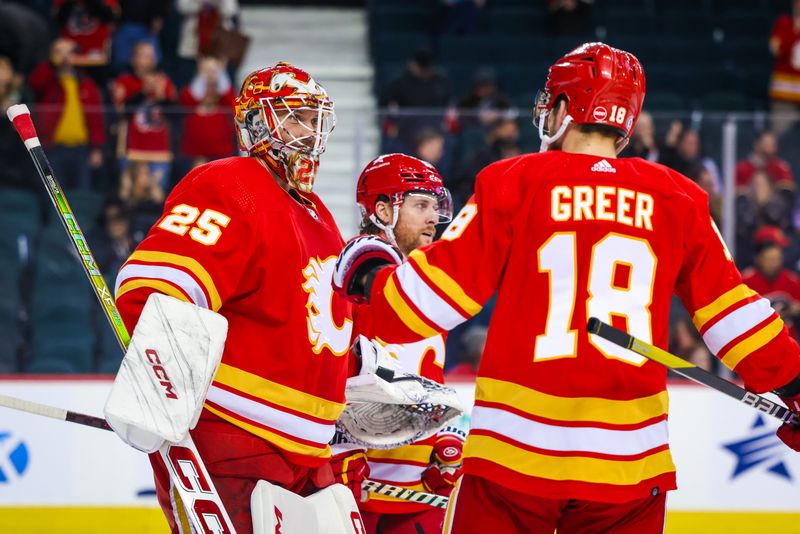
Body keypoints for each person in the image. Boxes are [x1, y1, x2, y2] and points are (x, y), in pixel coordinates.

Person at [333, 42, 800, 533]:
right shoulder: (678, 197)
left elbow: (432, 298)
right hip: (629, 467)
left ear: (562, 108)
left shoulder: (513, 181)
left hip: (514, 459)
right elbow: (733, 314)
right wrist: (792, 385)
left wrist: (369, 284)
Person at [114, 62, 355, 533]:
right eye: (295, 117)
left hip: (311, 452)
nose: (310, 132)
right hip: (237, 436)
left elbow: (318, 324)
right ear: (257, 123)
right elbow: (155, 288)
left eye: (314, 119)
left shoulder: (317, 213)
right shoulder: (231, 184)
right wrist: (164, 383)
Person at [332, 153, 464, 534]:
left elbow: (423, 378)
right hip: (355, 480)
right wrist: (335, 450)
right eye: (420, 205)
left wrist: (443, 437)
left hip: (417, 483)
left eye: (435, 207)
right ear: (383, 210)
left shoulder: (423, 283)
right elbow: (334, 375)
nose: (432, 219)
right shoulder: (354, 273)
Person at [28, 38, 105, 190]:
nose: (65, 56)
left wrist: (96, 148)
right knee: (54, 193)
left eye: (69, 52)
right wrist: (52, 63)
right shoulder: (49, 82)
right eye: (59, 51)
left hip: (82, 150)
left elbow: (96, 118)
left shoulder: (86, 84)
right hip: (53, 148)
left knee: (82, 193)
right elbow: (34, 83)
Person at [742, 226, 800, 341]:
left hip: (787, 340)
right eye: (770, 259)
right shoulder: (746, 281)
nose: (775, 263)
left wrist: (793, 308)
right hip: (757, 341)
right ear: (759, 258)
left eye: (777, 258)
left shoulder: (791, 279)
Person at [769, 0, 800, 137]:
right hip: (785, 95)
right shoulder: (784, 23)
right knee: (780, 138)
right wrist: (795, 31)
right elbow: (776, 50)